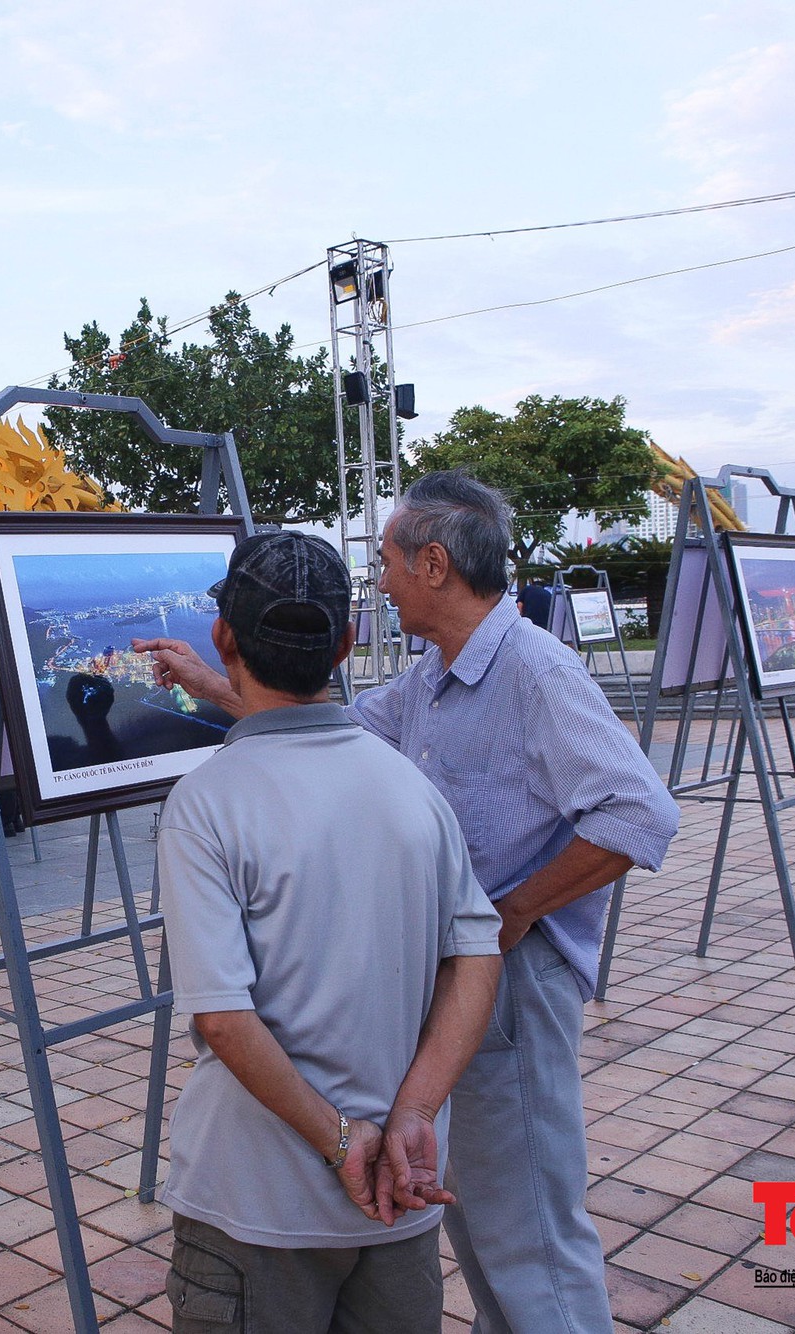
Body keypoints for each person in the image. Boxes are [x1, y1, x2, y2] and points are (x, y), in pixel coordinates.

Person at [138, 472, 680, 1334]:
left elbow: (642, 814)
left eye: (387, 560)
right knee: (475, 1221)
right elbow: (319, 728)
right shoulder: (436, 677)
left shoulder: (535, 670)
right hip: (468, 979)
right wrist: (216, 684)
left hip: (509, 980)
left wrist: (515, 911)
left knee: (528, 1234)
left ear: (434, 564)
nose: (381, 581)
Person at [157, 531, 500, 1333]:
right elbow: (477, 956)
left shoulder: (207, 803)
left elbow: (222, 1018)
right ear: (346, 643)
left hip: (253, 1204)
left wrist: (341, 1140)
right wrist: (413, 1114)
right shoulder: (409, 786)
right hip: (400, 1203)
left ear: (223, 637)